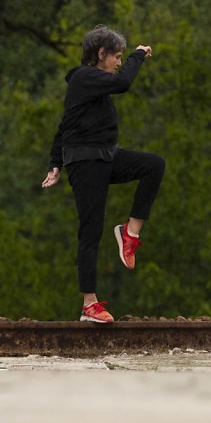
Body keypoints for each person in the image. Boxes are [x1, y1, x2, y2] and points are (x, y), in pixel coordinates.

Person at [41, 25, 165, 324]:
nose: (119, 62)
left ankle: (130, 233)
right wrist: (138, 54)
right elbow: (124, 82)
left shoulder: (94, 86)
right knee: (91, 230)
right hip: (85, 163)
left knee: (153, 164)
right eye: (117, 56)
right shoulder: (84, 77)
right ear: (101, 54)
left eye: (123, 57)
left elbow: (64, 124)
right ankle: (89, 304)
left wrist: (55, 162)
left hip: (106, 156)